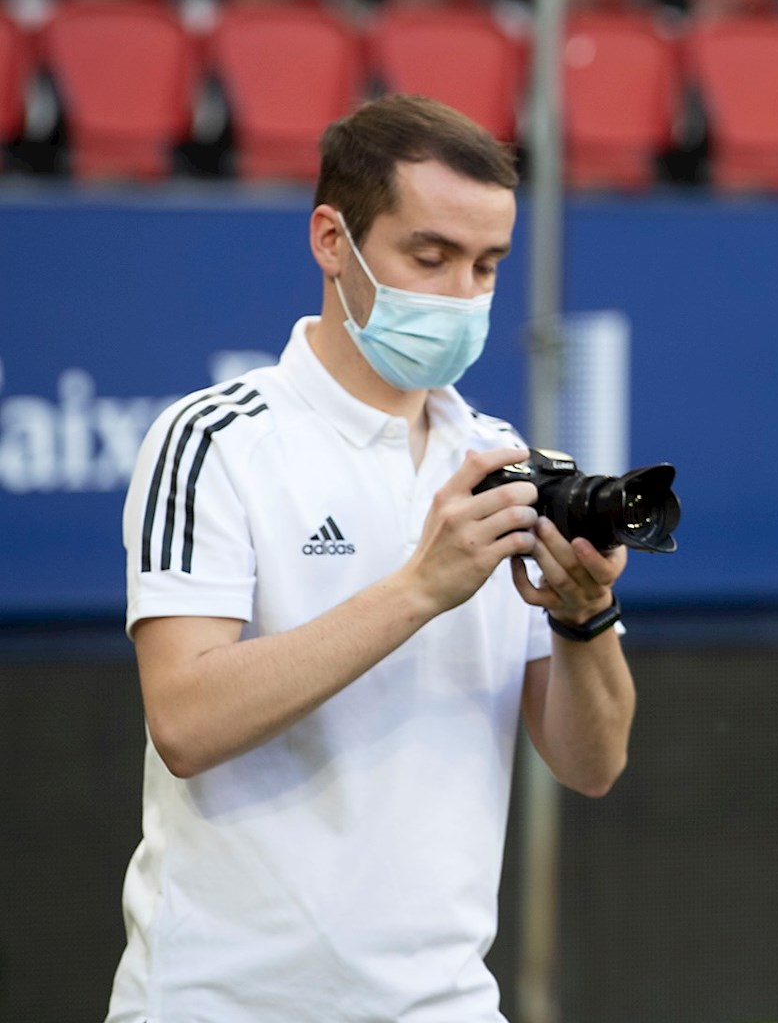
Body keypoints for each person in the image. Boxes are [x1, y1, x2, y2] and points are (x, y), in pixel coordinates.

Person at [107, 95, 637, 1022]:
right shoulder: (215, 439)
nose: (461, 294)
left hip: (446, 1004)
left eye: (486, 267)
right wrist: (418, 589)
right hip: (219, 1005)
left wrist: (583, 616)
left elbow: (593, 765)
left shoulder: (505, 458)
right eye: (428, 257)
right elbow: (183, 723)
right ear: (330, 241)